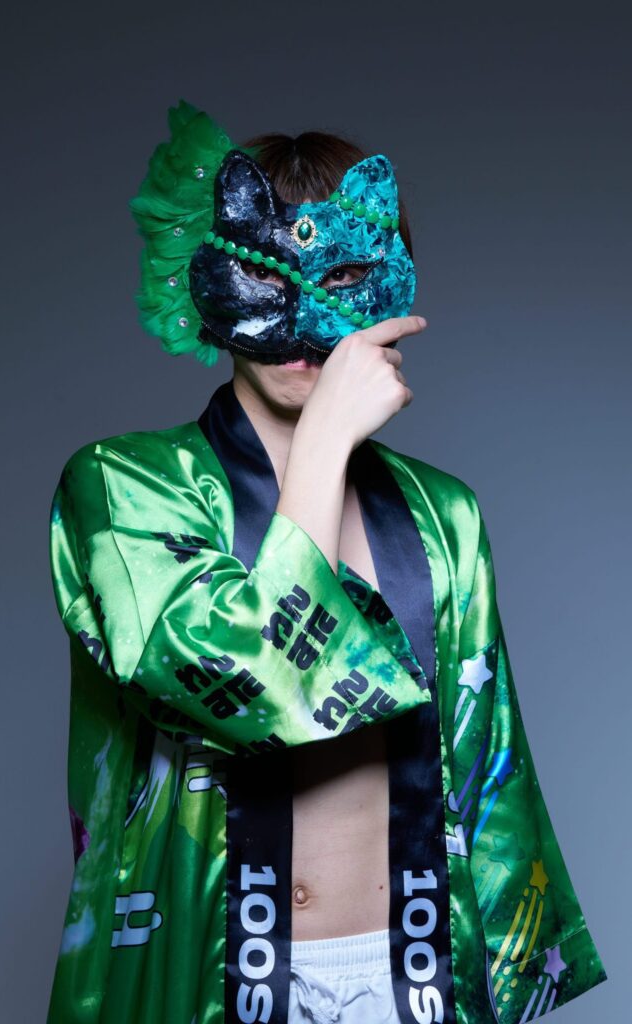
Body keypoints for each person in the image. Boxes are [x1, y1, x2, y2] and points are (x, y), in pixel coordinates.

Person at [46, 101, 607, 1024]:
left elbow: (486, 774)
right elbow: (240, 679)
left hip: (411, 982)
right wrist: (324, 444)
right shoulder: (121, 490)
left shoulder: (443, 515)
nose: (306, 319)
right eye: (266, 275)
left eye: (342, 276)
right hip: (214, 983)